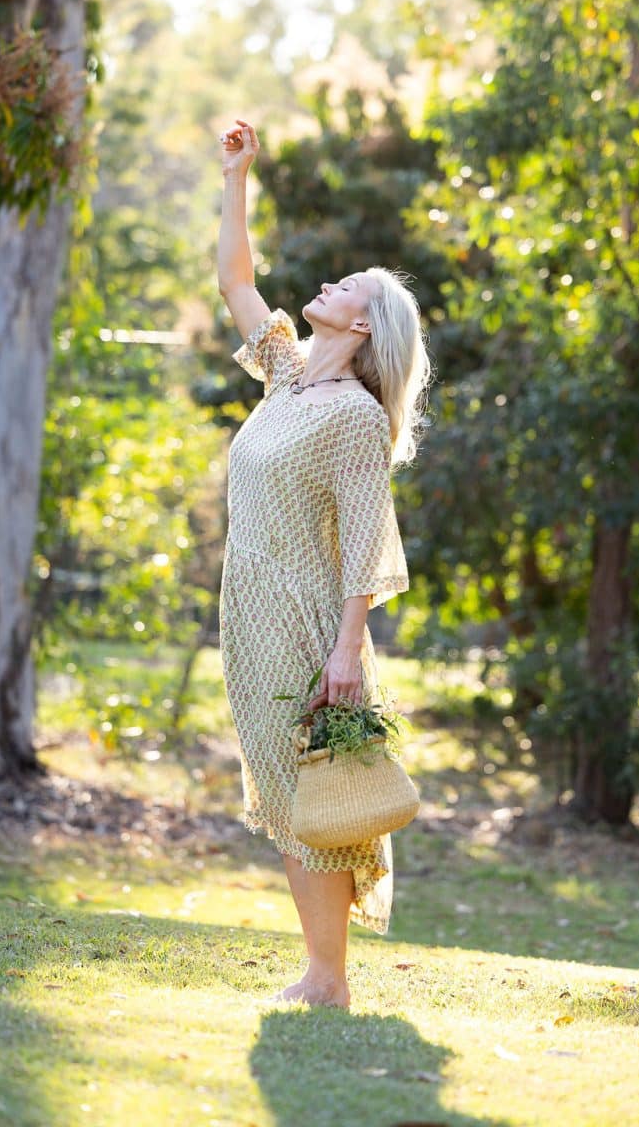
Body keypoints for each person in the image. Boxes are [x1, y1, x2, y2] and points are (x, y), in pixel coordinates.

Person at [216, 117, 432, 1008]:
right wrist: (235, 177)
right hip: (249, 607)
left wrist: (347, 651)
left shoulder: (349, 415)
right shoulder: (288, 374)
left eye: (350, 284)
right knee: (283, 783)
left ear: (363, 322)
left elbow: (370, 539)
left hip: (306, 619)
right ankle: (320, 970)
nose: (330, 281)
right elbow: (235, 278)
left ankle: (327, 977)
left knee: (316, 796)